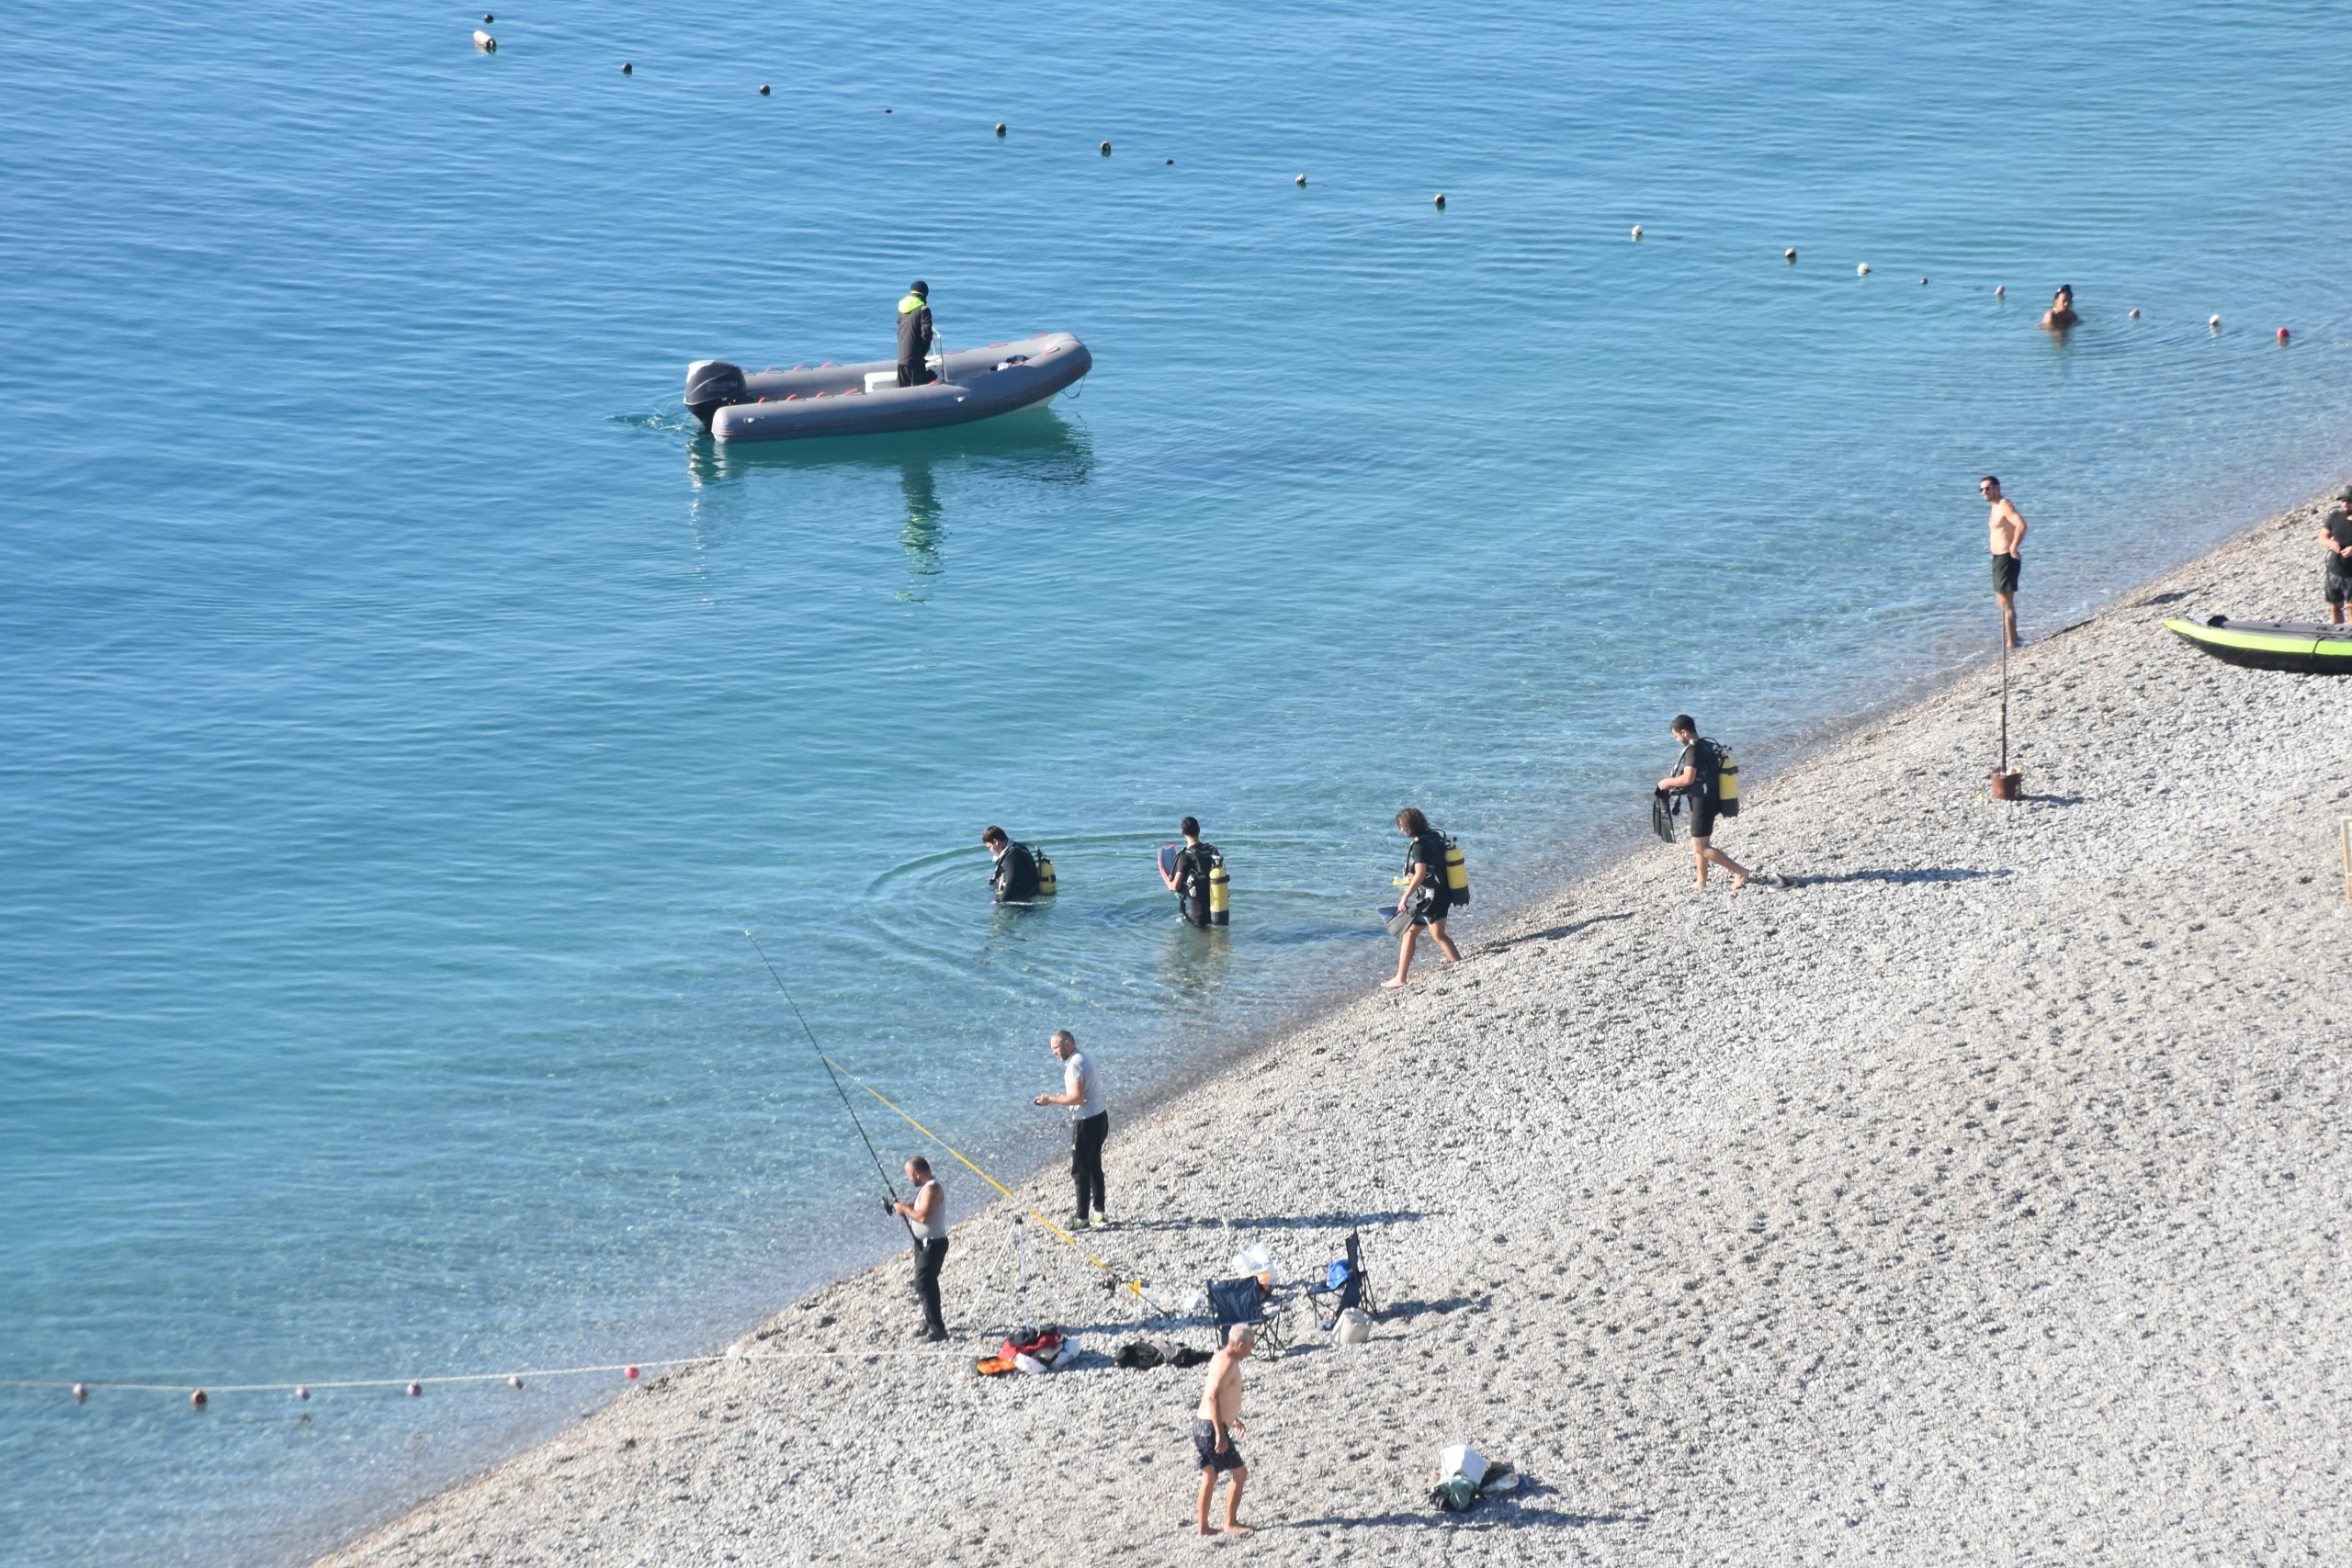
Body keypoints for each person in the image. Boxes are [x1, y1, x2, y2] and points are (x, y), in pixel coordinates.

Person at [1658, 715, 1748, 890]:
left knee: (1701, 846)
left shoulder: (1693, 751)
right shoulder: (1707, 745)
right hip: (1712, 799)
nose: (1677, 740)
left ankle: (1740, 871)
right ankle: (1701, 881)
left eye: (1676, 736)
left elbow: (1688, 778)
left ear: (1684, 732)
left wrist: (1666, 782)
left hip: (1703, 802)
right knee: (1699, 843)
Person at [1032, 1030, 1107, 1227]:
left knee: (1080, 1170)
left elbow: (1077, 1098)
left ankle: (1082, 1219)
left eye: (1055, 1048)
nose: (1054, 1053)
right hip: (1100, 1117)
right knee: (1094, 1167)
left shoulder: (1074, 1064)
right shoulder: (1083, 1058)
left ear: (1067, 1044)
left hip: (1087, 1122)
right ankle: (1099, 1213)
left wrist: (1050, 1100)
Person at [1382, 807, 1461, 989]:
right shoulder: (1435, 837)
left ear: (1409, 825)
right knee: (1438, 934)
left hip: (1432, 897)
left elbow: (1420, 875)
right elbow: (1435, 866)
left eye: (1401, 825)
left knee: (1410, 933)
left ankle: (1400, 978)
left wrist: (1405, 897)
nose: (1401, 829)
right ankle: (1459, 963)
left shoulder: (1419, 846)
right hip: (1445, 893)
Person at [1191, 1323, 1255, 1537]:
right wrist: (1220, 1432)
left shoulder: (1220, 1357)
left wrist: (1232, 1418)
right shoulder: (1229, 1363)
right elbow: (1212, 1396)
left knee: (1210, 1476)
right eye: (1250, 1346)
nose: (1252, 1350)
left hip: (1200, 1424)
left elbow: (1220, 1395)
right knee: (1240, 1474)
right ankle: (1230, 1523)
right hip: (1211, 1428)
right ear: (1241, 1345)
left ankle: (1203, 1528)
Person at [888, 1156, 949, 1341]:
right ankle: (929, 1321)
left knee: (924, 1283)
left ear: (917, 1173)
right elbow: (919, 1207)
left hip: (933, 1244)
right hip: (923, 1243)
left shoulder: (932, 1189)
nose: (909, 1179)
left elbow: (923, 1217)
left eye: (909, 1175)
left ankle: (938, 1330)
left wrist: (906, 1211)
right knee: (926, 1283)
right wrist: (902, 1206)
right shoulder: (927, 1188)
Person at [1983, 475, 2028, 648]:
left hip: (2006, 558)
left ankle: (2012, 642)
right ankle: (2014, 638)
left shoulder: (2004, 505)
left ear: (1997, 488)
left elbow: (2022, 525)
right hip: (1998, 559)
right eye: (1982, 489)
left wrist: (2014, 548)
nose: (1984, 492)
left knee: (2006, 602)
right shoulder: (1995, 507)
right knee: (2001, 601)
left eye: (1987, 488)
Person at [1159, 817, 1221, 930]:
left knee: (1203, 937)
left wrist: (1169, 884)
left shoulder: (1185, 856)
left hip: (1199, 910)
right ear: (1199, 830)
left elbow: (1176, 886)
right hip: (1219, 906)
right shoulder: (1211, 850)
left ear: (1182, 832)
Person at [2318, 484, 2352, 625]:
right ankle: (2335, 635)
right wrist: (2331, 544)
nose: (2345, 504)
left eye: (2349, 501)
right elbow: (2322, 538)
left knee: (2351, 609)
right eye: (2343, 500)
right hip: (2334, 571)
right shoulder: (2334, 517)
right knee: (2334, 607)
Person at [981, 826, 1039, 902]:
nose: (990, 850)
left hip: (1020, 900)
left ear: (996, 842)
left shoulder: (1010, 857)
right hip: (1029, 893)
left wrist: (1000, 900)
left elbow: (1011, 880)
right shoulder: (1019, 848)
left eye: (990, 847)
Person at [897, 281, 934, 388]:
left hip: (902, 357)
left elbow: (899, 332)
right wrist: (922, 353)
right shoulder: (924, 310)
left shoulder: (902, 309)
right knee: (919, 391)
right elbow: (927, 334)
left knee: (902, 391)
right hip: (915, 360)